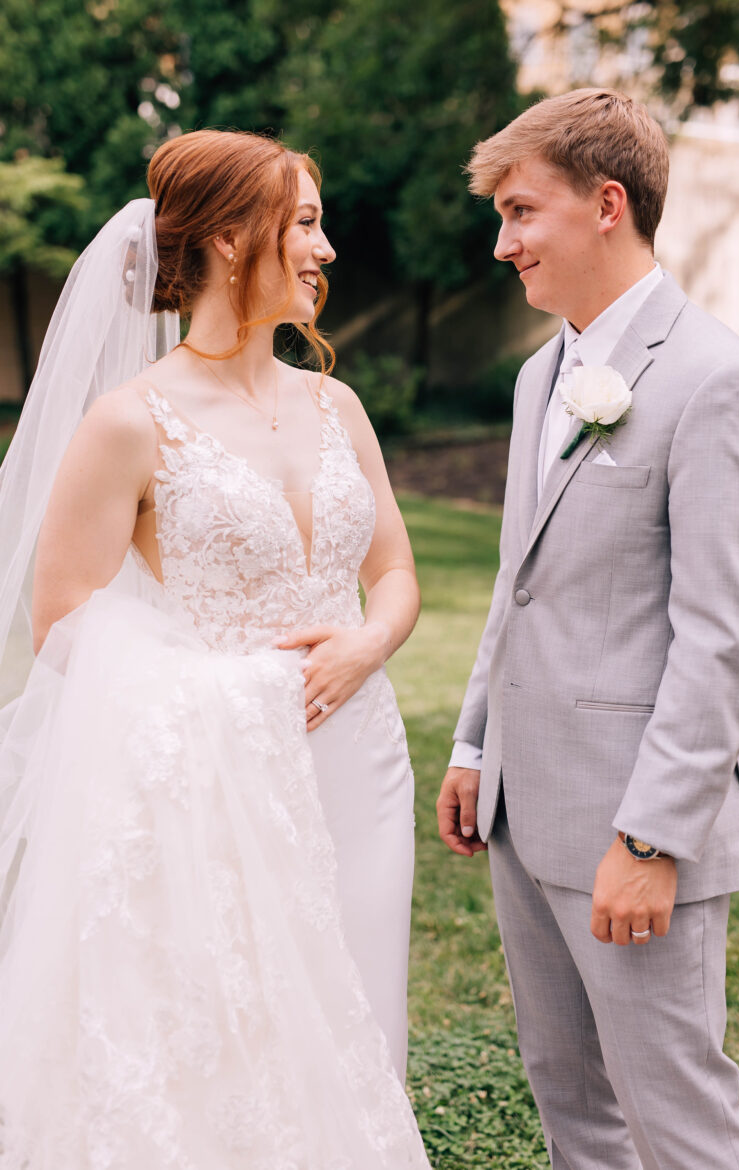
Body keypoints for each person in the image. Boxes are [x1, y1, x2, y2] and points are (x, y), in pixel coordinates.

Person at [0, 128, 431, 1168]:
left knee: (357, 1010)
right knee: (237, 1028)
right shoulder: (128, 424)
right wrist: (226, 696)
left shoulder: (339, 407)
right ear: (236, 240)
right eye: (308, 225)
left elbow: (399, 575)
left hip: (357, 758)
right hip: (217, 779)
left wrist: (367, 645)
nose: (327, 252)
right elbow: (59, 616)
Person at [437, 88, 739, 1169]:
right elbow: (520, 577)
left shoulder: (718, 381)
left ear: (608, 204)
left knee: (675, 1115)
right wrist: (473, 742)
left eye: (522, 212)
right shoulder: (544, 373)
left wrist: (650, 839)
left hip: (632, 825)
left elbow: (725, 636)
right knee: (572, 1107)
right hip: (522, 807)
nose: (504, 245)